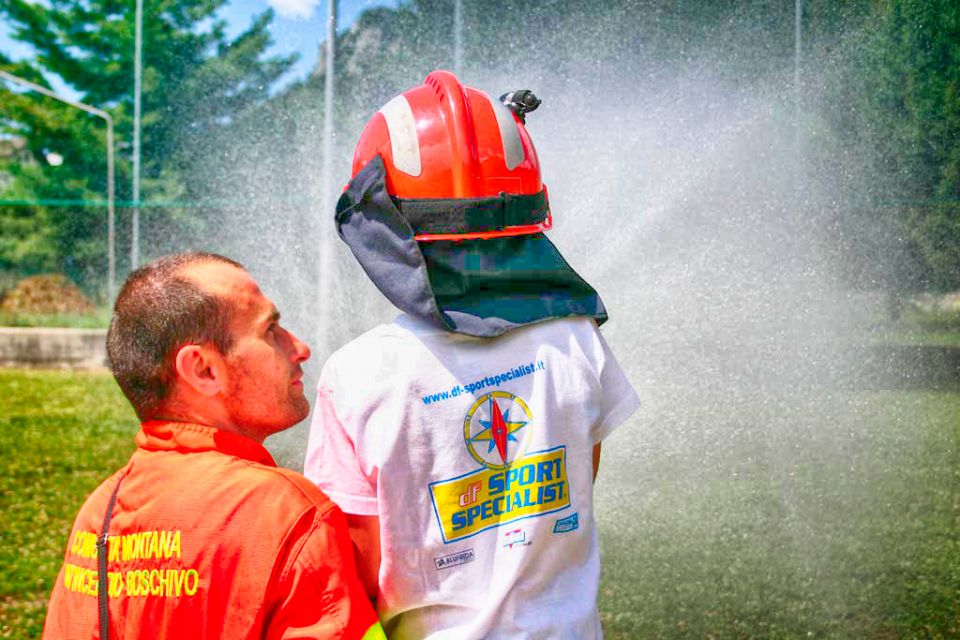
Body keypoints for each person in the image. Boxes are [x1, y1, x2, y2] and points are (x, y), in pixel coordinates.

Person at [303, 71, 640, 638]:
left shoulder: (354, 375)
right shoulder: (576, 336)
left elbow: (356, 556)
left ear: (386, 226)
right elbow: (579, 477)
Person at [43, 252, 385, 640]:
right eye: (271, 330)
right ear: (203, 369)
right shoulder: (286, 514)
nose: (300, 347)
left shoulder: (99, 511)